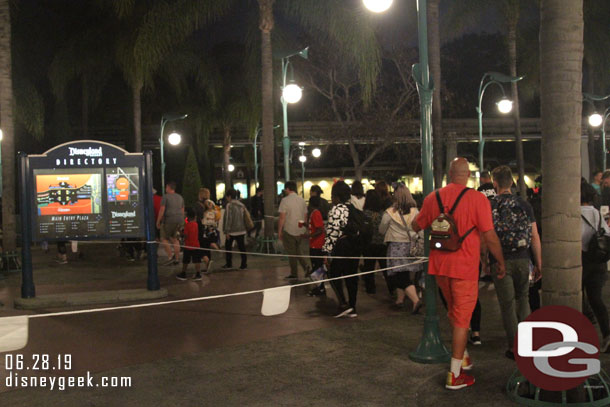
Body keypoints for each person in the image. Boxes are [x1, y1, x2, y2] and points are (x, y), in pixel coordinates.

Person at [412, 157, 506, 390]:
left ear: (449, 174)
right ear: (468, 175)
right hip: (464, 266)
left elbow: (416, 225)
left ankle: (462, 355)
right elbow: (490, 235)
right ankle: (455, 374)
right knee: (463, 318)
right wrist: (500, 261)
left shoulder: (433, 198)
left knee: (455, 312)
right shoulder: (477, 199)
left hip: (439, 265)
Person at [489, 165, 542, 360]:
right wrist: (538, 263)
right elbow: (535, 237)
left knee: (508, 305)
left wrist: (485, 261)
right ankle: (526, 344)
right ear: (511, 182)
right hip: (522, 258)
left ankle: (514, 346)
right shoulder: (524, 205)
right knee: (524, 299)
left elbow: (485, 236)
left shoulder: (491, 205)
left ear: (495, 184)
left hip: (500, 260)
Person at [379, 184, 423, 313]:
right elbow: (420, 228)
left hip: (396, 246)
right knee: (404, 273)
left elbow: (381, 230)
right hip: (411, 246)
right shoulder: (416, 211)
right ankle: (400, 299)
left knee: (399, 276)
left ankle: (415, 300)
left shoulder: (390, 213)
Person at [323, 181, 361, 318]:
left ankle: (343, 303)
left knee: (333, 274)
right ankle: (352, 306)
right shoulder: (353, 208)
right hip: (354, 246)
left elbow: (332, 233)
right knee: (352, 276)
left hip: (341, 246)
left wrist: (327, 252)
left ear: (336, 196)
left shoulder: (336, 210)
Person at [581, 181, 610, 352]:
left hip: (581, 261)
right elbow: (606, 234)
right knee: (596, 299)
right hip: (598, 263)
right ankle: (607, 335)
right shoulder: (597, 213)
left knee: (578, 297)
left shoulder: (571, 214)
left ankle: (586, 327)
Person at [278, 181, 310, 279]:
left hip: (289, 229)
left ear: (287, 189)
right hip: (300, 230)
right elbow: (305, 215)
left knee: (292, 253)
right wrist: (304, 228)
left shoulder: (285, 200)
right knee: (297, 251)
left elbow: (282, 218)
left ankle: (294, 273)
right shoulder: (301, 200)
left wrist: (279, 231)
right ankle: (306, 267)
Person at [362, 190, 391, 295]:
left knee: (369, 267)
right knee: (386, 268)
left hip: (368, 244)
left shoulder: (365, 214)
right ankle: (392, 289)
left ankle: (370, 289)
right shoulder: (383, 213)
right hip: (382, 244)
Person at [156, 181, 185, 265]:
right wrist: (182, 222)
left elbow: (162, 210)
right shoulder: (180, 197)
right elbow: (182, 210)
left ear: (168, 187)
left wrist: (158, 221)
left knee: (163, 238)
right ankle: (176, 258)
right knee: (175, 240)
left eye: (166, 187)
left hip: (169, 220)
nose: (165, 189)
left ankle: (170, 257)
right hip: (179, 220)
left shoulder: (166, 197)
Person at [222, 189, 248, 270]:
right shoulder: (241, 205)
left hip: (232, 231)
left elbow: (228, 219)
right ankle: (244, 264)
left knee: (228, 247)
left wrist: (227, 231)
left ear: (229, 196)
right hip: (242, 229)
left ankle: (229, 264)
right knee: (242, 247)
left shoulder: (229, 205)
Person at [306, 195, 326, 296]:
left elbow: (320, 229)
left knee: (317, 267)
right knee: (317, 266)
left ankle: (320, 288)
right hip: (314, 244)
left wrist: (309, 235)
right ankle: (319, 287)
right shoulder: (313, 213)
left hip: (317, 245)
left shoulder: (316, 213)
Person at [176, 207, 203, 281]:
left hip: (188, 246)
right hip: (196, 245)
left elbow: (185, 235)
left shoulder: (187, 225)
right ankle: (198, 274)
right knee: (197, 260)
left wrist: (180, 231)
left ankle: (183, 273)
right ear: (195, 216)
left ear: (188, 217)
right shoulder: (196, 224)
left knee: (186, 261)